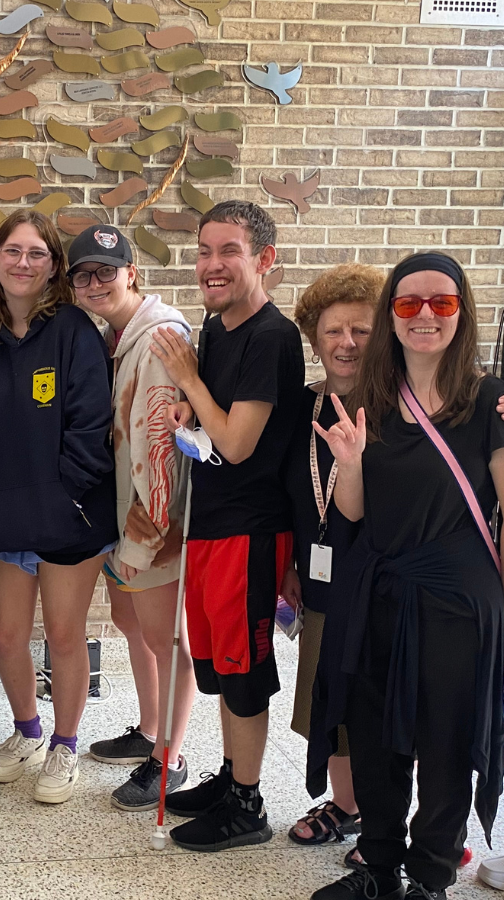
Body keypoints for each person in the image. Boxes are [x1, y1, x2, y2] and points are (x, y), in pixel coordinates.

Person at [311, 252, 504, 900]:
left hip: (455, 602)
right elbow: (356, 510)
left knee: (446, 746)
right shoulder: (369, 399)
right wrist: (351, 460)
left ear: (461, 313)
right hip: (379, 590)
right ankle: (379, 867)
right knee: (373, 738)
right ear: (391, 314)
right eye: (409, 303)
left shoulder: (488, 400)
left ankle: (428, 877)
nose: (425, 315)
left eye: (441, 303)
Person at [150, 199, 304, 851]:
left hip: (251, 529)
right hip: (212, 524)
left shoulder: (271, 335)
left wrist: (185, 376)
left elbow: (238, 443)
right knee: (218, 661)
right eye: (204, 250)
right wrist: (189, 402)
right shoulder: (217, 329)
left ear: (264, 260)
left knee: (243, 672)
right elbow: (213, 423)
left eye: (229, 251)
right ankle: (231, 778)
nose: (211, 264)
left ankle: (248, 804)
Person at [0, 209, 117, 804]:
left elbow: (91, 423)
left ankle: (65, 742)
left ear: (53, 265)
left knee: (63, 634)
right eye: (13, 251)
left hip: (68, 516)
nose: (23, 262)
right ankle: (27, 730)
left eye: (36, 253)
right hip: (5, 512)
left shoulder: (76, 330)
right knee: (6, 635)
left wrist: (67, 496)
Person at [68, 225, 196, 812]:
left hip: (154, 526)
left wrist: (144, 541)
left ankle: (170, 758)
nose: (95, 283)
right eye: (83, 274)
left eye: (106, 271)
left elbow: (162, 456)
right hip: (125, 519)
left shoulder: (161, 338)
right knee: (132, 623)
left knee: (167, 639)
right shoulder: (118, 337)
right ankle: (149, 728)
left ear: (131, 273)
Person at [278, 264, 381, 848]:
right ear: (314, 339)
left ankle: (391, 814)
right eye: (333, 330)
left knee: (377, 701)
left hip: (380, 582)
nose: (345, 343)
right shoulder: (303, 406)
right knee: (328, 699)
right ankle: (347, 805)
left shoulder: (401, 406)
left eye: (361, 331)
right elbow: (292, 491)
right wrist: (292, 562)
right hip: (318, 577)